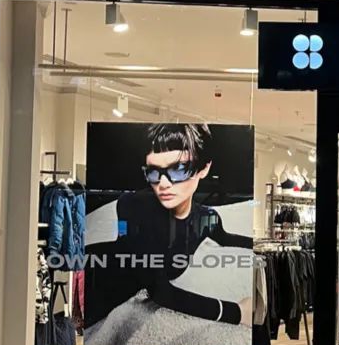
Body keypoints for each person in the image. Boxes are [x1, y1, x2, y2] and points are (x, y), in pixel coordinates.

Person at [84, 123, 252, 330]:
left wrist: (261, 247)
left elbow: (226, 238)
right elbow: (161, 292)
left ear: (204, 168)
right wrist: (237, 312)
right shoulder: (134, 205)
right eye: (153, 172)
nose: (163, 183)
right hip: (97, 283)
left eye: (179, 169)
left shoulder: (207, 218)